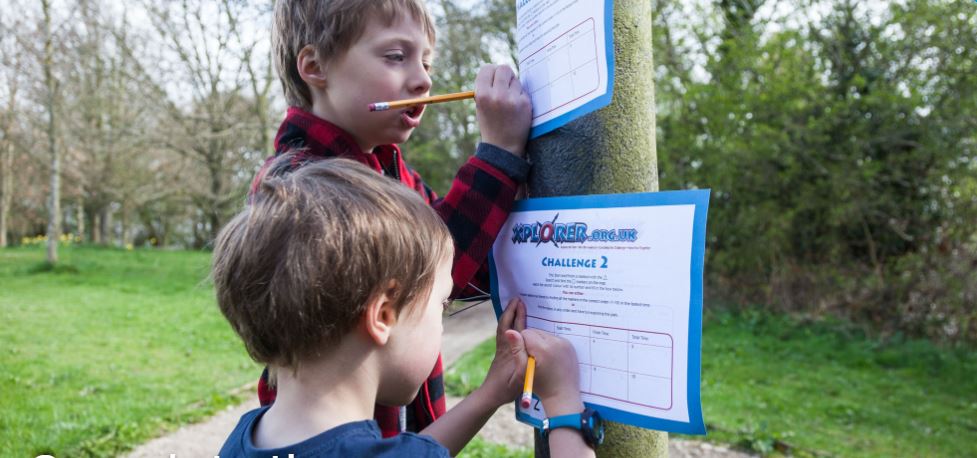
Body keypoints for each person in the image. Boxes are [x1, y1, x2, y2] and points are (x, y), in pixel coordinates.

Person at [251, 0, 534, 436]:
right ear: (315, 66)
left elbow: (464, 263)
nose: (423, 78)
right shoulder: (298, 185)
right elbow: (431, 275)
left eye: (425, 60)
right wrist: (497, 158)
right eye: (396, 56)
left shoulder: (386, 166)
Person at [214, 158, 593, 457]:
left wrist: (489, 394)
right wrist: (562, 407)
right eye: (441, 305)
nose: (441, 324)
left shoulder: (247, 438)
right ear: (383, 315)